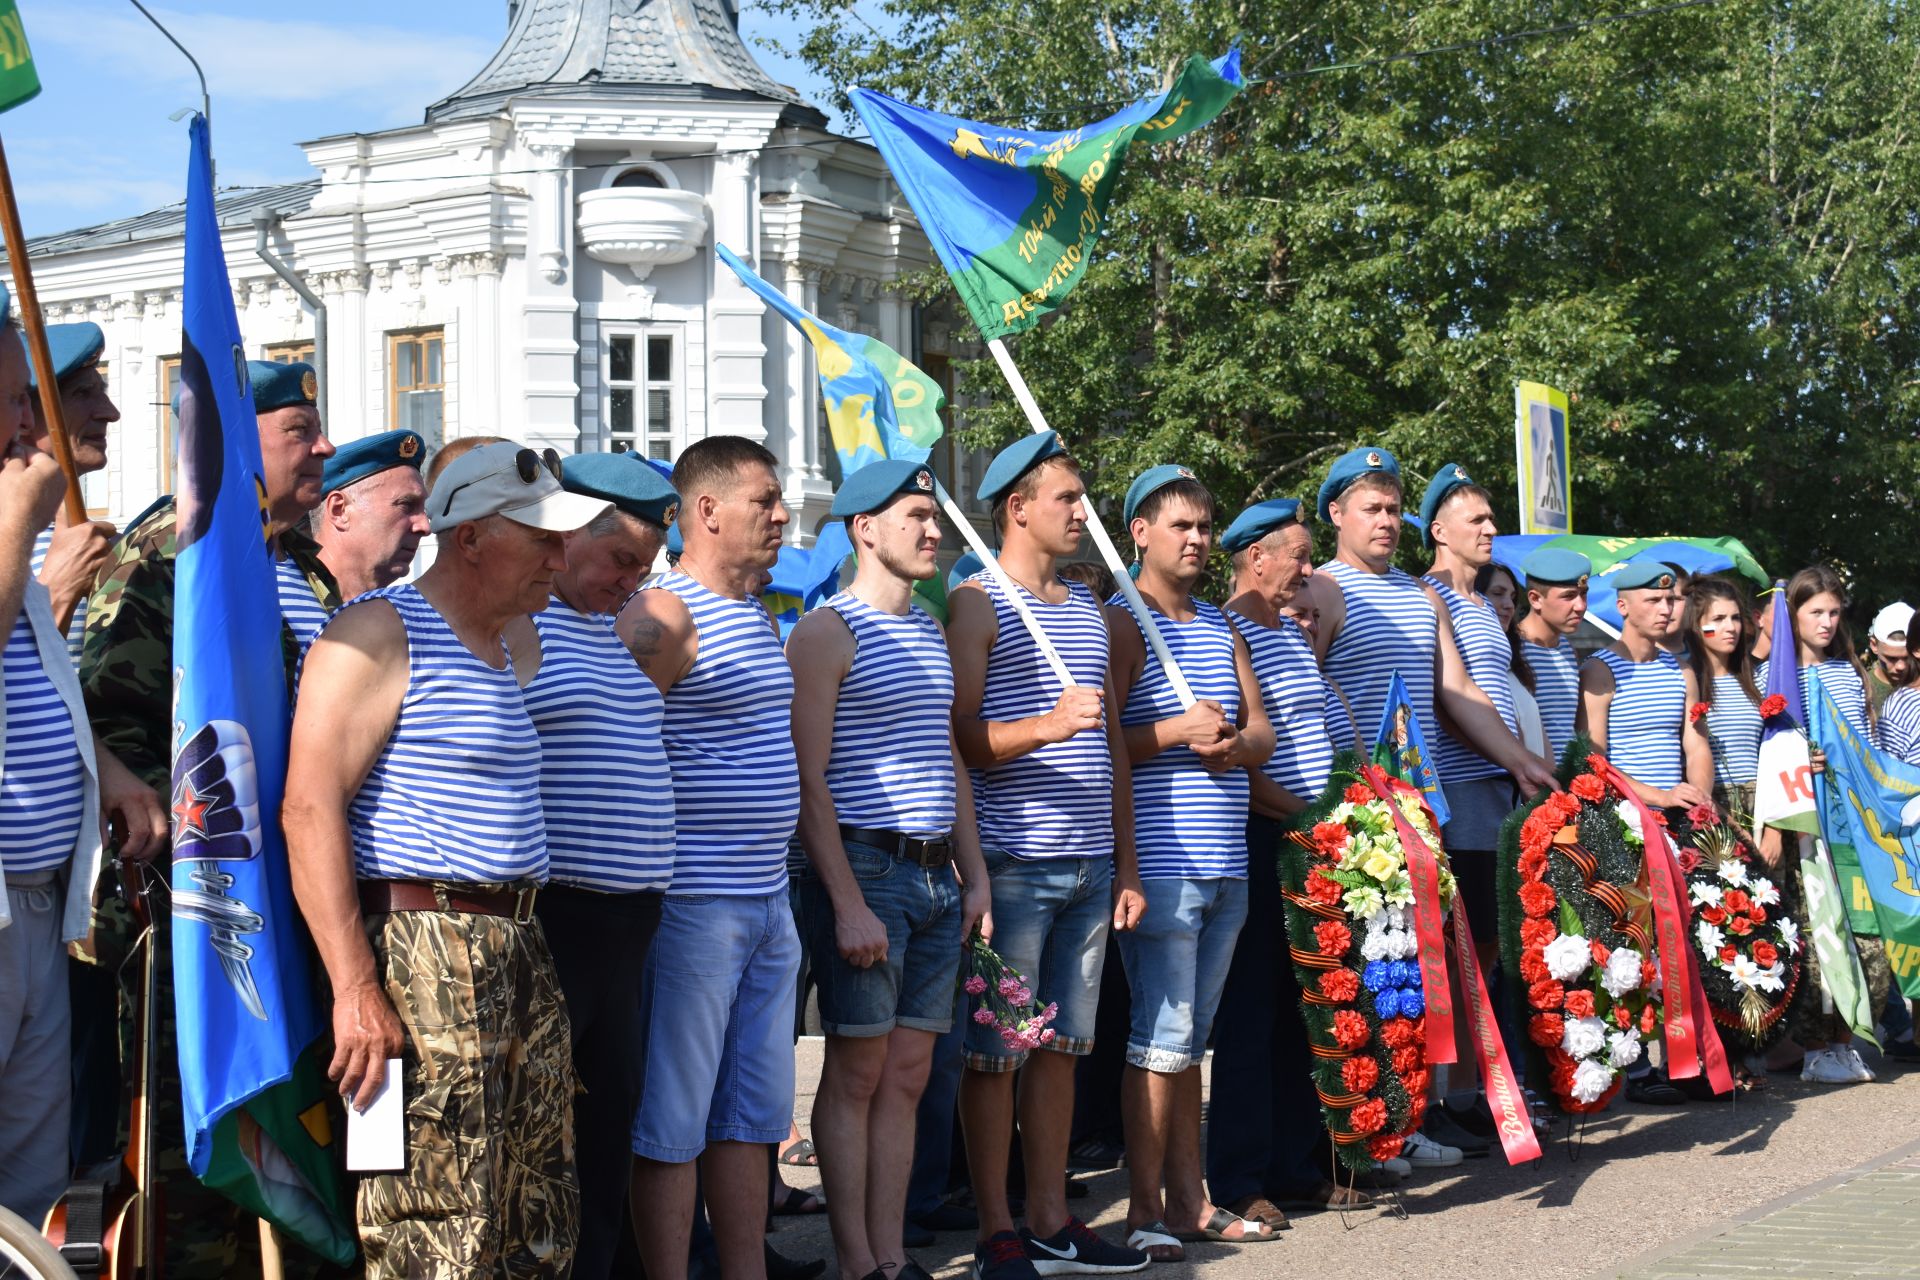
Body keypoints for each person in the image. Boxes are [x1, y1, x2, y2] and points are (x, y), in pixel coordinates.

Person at [284, 441, 604, 1277]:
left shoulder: (509, 644)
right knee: (434, 1213)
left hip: (517, 940)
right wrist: (356, 989)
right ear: (472, 539)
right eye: (540, 539)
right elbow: (308, 808)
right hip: (424, 946)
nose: (559, 558)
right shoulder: (378, 632)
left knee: (533, 1208)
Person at [80, 358, 339, 1274]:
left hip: (290, 899)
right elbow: (109, 716)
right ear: (230, 442)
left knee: (290, 1128)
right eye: (301, 433)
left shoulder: (301, 567)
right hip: (194, 911)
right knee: (193, 1144)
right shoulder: (172, 556)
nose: (324, 448)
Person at [946, 431, 1148, 1280]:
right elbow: (959, 737)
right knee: (999, 1054)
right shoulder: (977, 602)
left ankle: (1050, 1216)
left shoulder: (1093, 614)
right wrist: (1043, 726)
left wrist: (1128, 865)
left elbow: (1112, 753)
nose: (1081, 513)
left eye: (1082, 498)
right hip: (1015, 862)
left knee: (1064, 1047)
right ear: (1017, 507)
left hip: (1091, 864)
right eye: (1066, 499)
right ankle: (995, 1225)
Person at [788, 459, 991, 1280]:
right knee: (860, 1069)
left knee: (908, 1075)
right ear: (864, 529)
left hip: (937, 873)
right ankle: (854, 1261)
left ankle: (886, 1254)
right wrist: (845, 902)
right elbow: (809, 779)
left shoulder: (927, 630)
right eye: (917, 515)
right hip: (867, 871)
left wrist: (973, 875)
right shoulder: (826, 631)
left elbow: (948, 762)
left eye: (934, 516)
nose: (934, 531)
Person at [617, 436, 802, 1280]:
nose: (780, 515)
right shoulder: (663, 614)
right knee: (675, 1121)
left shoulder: (759, 616)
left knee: (753, 1118)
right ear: (706, 510)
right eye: (763, 500)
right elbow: (620, 749)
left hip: (767, 897)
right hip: (694, 900)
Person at [0, 290, 164, 1227]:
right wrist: (27, 540)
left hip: (36, 895)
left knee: (26, 1190)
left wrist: (106, 771)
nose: (36, 421)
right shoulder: (15, 532)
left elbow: (37, 695)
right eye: (24, 398)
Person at [502, 452, 679, 1280]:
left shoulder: (607, 633)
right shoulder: (518, 630)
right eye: (619, 561)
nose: (629, 581)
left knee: (609, 1131)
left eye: (643, 567)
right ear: (568, 535)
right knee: (543, 1136)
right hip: (561, 920)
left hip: (629, 924)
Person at [1105, 466, 1274, 1261]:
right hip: (1163, 864)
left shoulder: (1221, 626)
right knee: (1159, 1036)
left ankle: (1188, 1198)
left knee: (1189, 1042)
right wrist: (1176, 733)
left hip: (1227, 863)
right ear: (1139, 532)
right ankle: (1146, 1206)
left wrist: (1235, 744)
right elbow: (1102, 746)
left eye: (1206, 528)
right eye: (1181, 526)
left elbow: (1262, 732)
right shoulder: (1122, 625)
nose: (1199, 541)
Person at [1208, 497, 1374, 1223]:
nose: (1309, 572)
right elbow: (1233, 757)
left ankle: (1298, 1162)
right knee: (1251, 1016)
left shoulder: (1286, 635)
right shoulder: (1227, 631)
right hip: (1266, 838)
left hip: (1313, 843)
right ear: (1257, 557)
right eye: (1300, 558)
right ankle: (1241, 1178)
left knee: (1305, 1009)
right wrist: (1304, 820)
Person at [1576, 559, 1712, 1106]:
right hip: (1626, 824)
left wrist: (1698, 798)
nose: (1667, 608)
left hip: (1676, 819)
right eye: (1654, 601)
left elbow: (1695, 741)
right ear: (1624, 606)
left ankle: (1684, 1058)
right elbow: (1595, 756)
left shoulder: (1681, 670)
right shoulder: (1600, 670)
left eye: (1673, 599)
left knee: (1683, 940)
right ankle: (1634, 1067)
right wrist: (1655, 797)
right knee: (1633, 944)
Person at [1768, 565, 1890, 1086]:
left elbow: (1868, 744)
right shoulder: (1776, 677)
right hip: (1805, 821)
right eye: (1814, 611)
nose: (1825, 621)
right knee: (1817, 937)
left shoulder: (1849, 670)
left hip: (1854, 820)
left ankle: (1847, 1040)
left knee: (1866, 937)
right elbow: (1770, 750)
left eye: (1834, 612)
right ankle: (1815, 1046)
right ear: (1791, 614)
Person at [25, 322, 117, 649]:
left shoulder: (106, 543)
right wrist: (59, 589)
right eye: (81, 393)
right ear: (23, 411)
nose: (110, 413)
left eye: (101, 392)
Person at [310, 428, 430, 601]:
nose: (425, 527)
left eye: (423, 510)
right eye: (406, 505)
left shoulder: (408, 619)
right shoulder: (277, 605)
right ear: (339, 510)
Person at [1682, 577, 1764, 828]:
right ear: (1697, 626)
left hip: (1764, 806)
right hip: (1712, 809)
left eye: (1736, 618)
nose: (1731, 627)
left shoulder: (1758, 677)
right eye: (1718, 619)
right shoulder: (1685, 680)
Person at [1515, 547, 1591, 762]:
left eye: (1584, 594)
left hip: (1564, 782)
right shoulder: (1513, 649)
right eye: (1569, 596)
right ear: (1535, 599)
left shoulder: (1566, 649)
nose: (1581, 606)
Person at [1475, 562, 1546, 757]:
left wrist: (1550, 773)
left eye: (1513, 597)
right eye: (1498, 593)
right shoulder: (1471, 666)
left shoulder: (1514, 666)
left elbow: (1539, 735)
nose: (1509, 605)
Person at [1864, 603, 1914, 714]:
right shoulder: (1860, 692)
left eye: (1907, 658)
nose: (1900, 666)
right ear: (1874, 645)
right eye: (1891, 658)